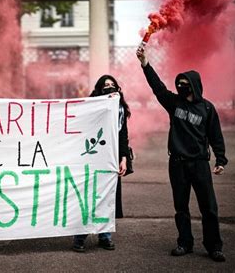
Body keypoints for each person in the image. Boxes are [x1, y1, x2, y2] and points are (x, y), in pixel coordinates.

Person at [136, 47, 227, 262]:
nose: (181, 87)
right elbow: (157, 88)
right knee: (181, 208)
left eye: (185, 84)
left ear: (195, 86)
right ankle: (184, 243)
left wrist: (221, 159)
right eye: (179, 84)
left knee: (209, 208)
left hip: (199, 163)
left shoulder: (207, 108)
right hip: (177, 163)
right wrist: (145, 63)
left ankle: (214, 246)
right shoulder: (174, 102)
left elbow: (216, 136)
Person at [72, 75, 131, 252]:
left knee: (107, 196)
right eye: (105, 85)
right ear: (99, 89)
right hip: (91, 158)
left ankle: (105, 236)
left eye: (113, 85)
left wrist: (124, 158)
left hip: (111, 159)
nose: (110, 87)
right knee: (88, 198)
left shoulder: (120, 108)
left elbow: (122, 135)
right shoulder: (90, 106)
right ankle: (79, 237)